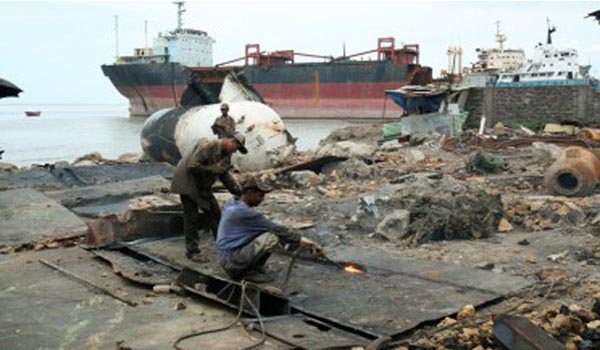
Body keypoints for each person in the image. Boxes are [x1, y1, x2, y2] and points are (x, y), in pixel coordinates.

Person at [216, 177, 322, 282]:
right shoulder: (245, 212)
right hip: (231, 261)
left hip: (226, 256)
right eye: (260, 195)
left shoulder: (233, 203)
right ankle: (247, 272)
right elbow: (276, 229)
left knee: (264, 234)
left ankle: (250, 268)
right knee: (271, 237)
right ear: (249, 192)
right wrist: (304, 241)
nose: (262, 200)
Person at [171, 132, 248, 262]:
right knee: (191, 217)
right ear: (232, 141)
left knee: (215, 213)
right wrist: (213, 169)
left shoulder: (226, 155)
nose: (234, 151)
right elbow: (192, 166)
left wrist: (239, 192)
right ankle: (192, 251)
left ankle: (223, 246)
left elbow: (224, 175)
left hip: (202, 185)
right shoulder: (208, 146)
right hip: (187, 182)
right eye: (235, 148)